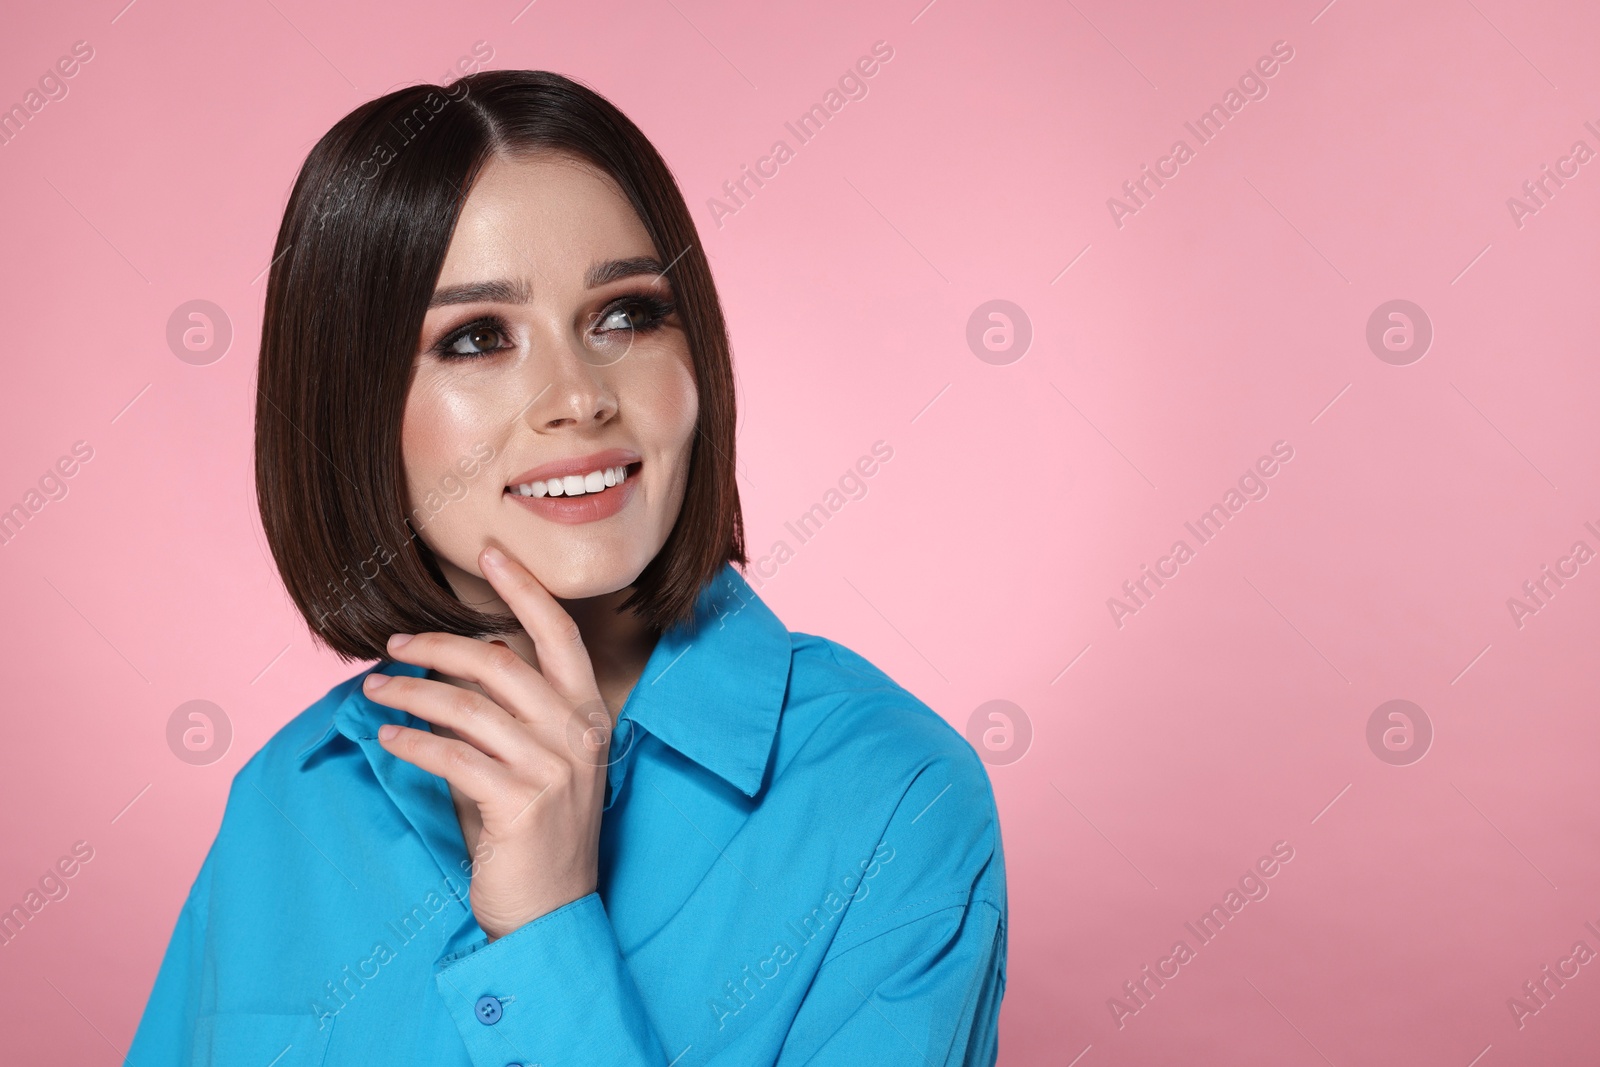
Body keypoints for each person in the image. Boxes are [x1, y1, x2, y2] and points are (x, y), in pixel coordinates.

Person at [126, 69, 1006, 1066]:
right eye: (476, 337)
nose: (578, 396)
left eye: (625, 315)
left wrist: (545, 930)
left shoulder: (891, 794)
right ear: (351, 407)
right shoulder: (287, 799)